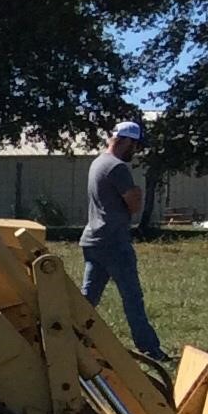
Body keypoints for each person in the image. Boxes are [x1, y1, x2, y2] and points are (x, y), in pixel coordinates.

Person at [82, 120, 165, 360]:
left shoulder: (98, 162)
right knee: (132, 297)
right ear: (126, 141)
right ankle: (150, 348)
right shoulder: (117, 167)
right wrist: (137, 193)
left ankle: (67, 335)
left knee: (87, 299)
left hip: (92, 239)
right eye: (136, 145)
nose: (136, 151)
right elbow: (134, 204)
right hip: (114, 240)